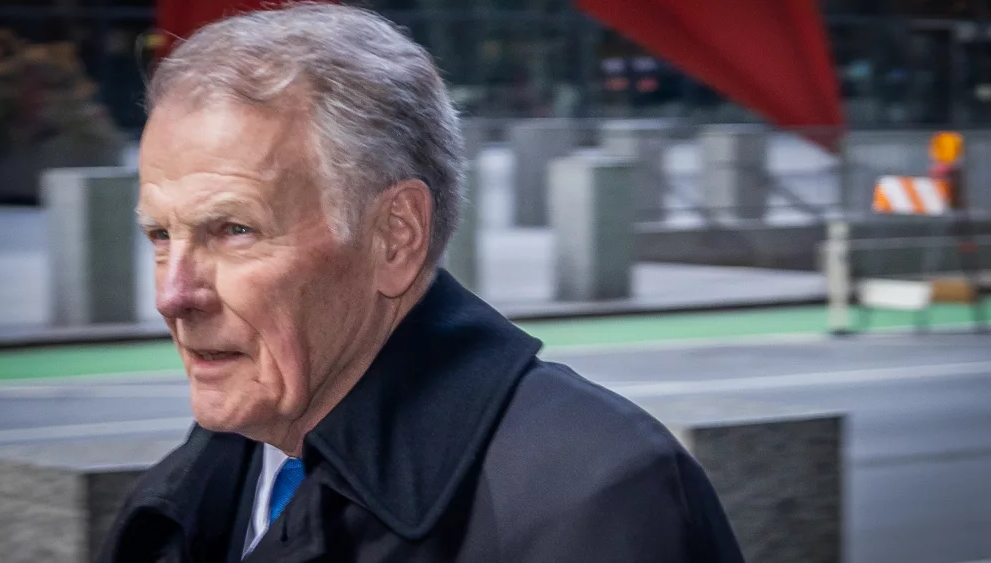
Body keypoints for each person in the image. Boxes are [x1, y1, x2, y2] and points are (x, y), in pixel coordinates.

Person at [98, 4, 745, 562]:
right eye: (160, 235)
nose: (173, 294)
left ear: (395, 236)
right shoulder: (198, 484)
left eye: (233, 230)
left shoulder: (596, 496)